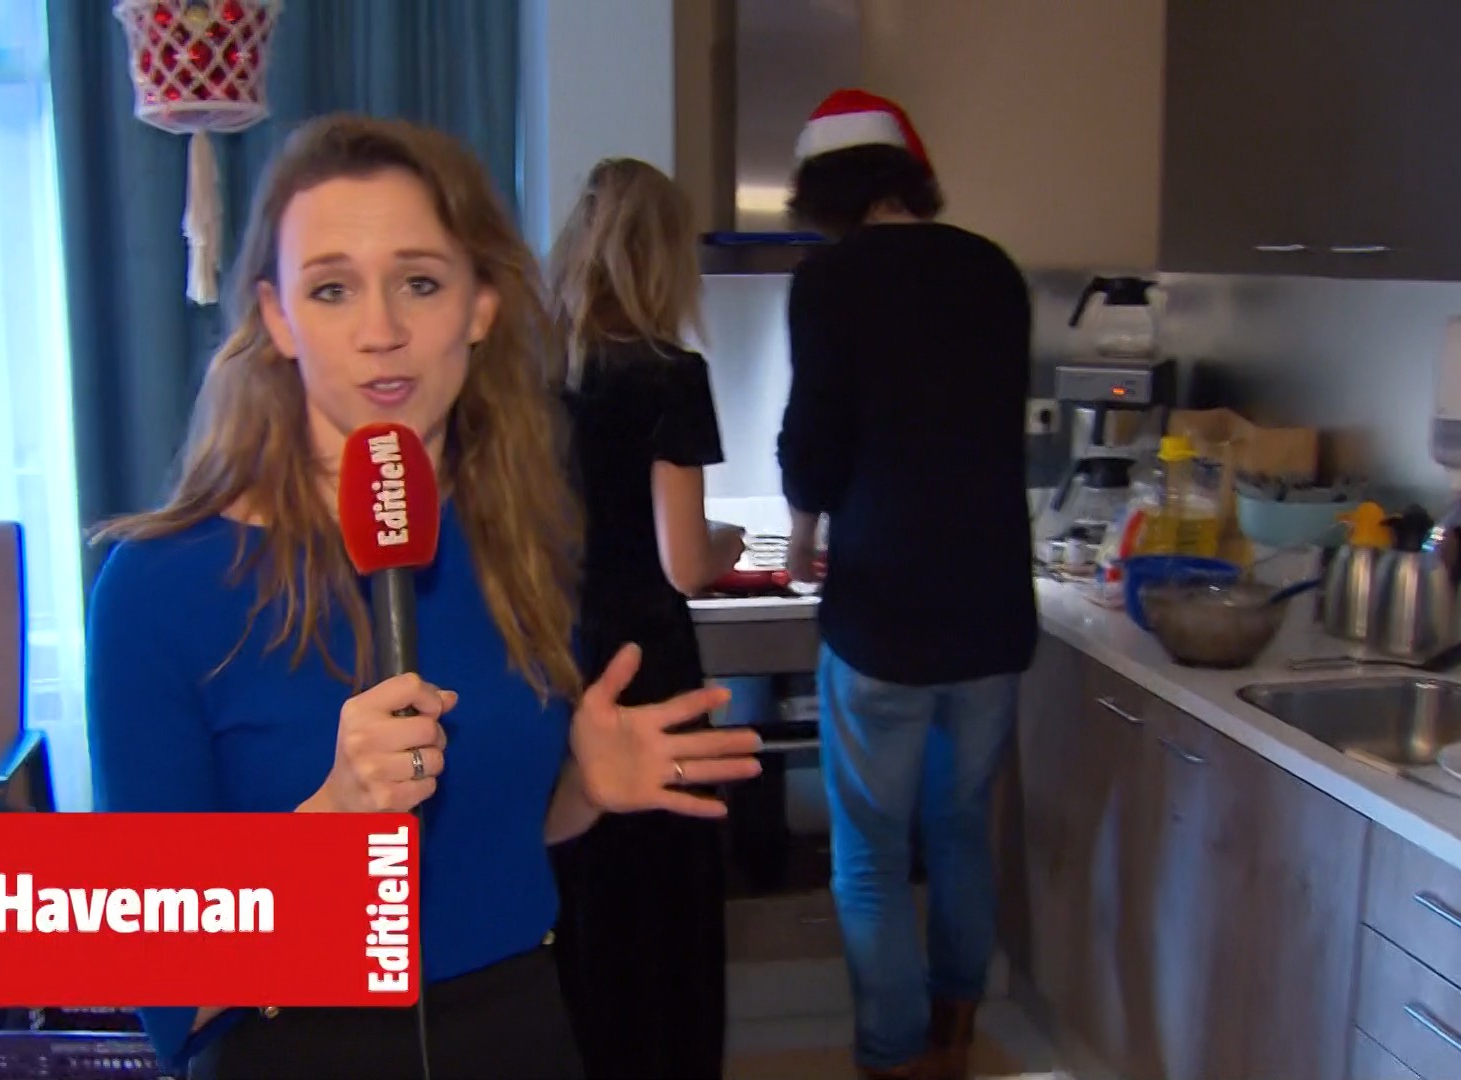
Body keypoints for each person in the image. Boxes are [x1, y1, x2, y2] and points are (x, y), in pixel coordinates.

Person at [85, 114, 765, 1080]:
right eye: (332, 289)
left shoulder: (525, 546)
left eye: (419, 282)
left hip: (523, 1032)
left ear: (480, 306)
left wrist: (581, 789)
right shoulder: (159, 588)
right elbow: (164, 986)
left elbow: (494, 845)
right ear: (277, 318)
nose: (381, 332)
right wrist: (332, 823)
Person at [776, 89, 1039, 1080]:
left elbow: (815, 435)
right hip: (991, 605)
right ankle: (955, 1037)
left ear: (825, 191)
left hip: (884, 609)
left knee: (872, 855)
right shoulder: (994, 270)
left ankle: (893, 1060)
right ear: (906, 175)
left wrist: (803, 537)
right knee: (962, 829)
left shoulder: (829, 281)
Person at [543, 157, 746, 1080]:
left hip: (556, 653)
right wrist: (729, 542)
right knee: (664, 899)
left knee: (582, 884)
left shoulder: (535, 374)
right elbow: (684, 563)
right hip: (648, 663)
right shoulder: (671, 376)